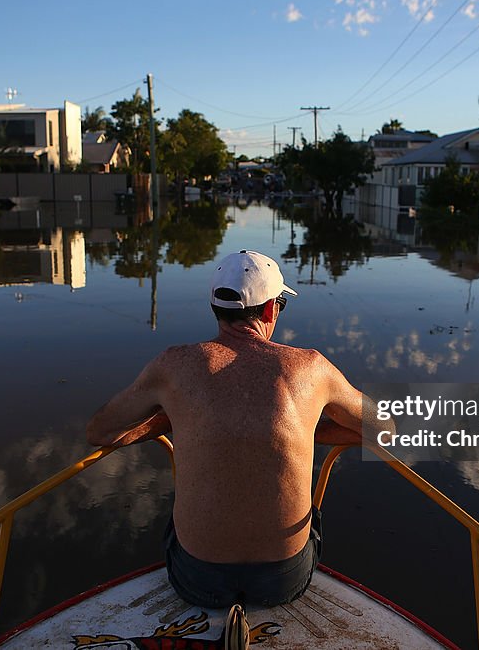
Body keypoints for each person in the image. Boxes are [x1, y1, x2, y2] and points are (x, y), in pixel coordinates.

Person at [86, 250, 390, 612]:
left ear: (215, 308)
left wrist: (168, 422)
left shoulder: (173, 366)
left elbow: (100, 431)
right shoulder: (310, 368)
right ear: (268, 311)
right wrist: (307, 428)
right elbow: (384, 427)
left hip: (197, 580)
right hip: (283, 581)